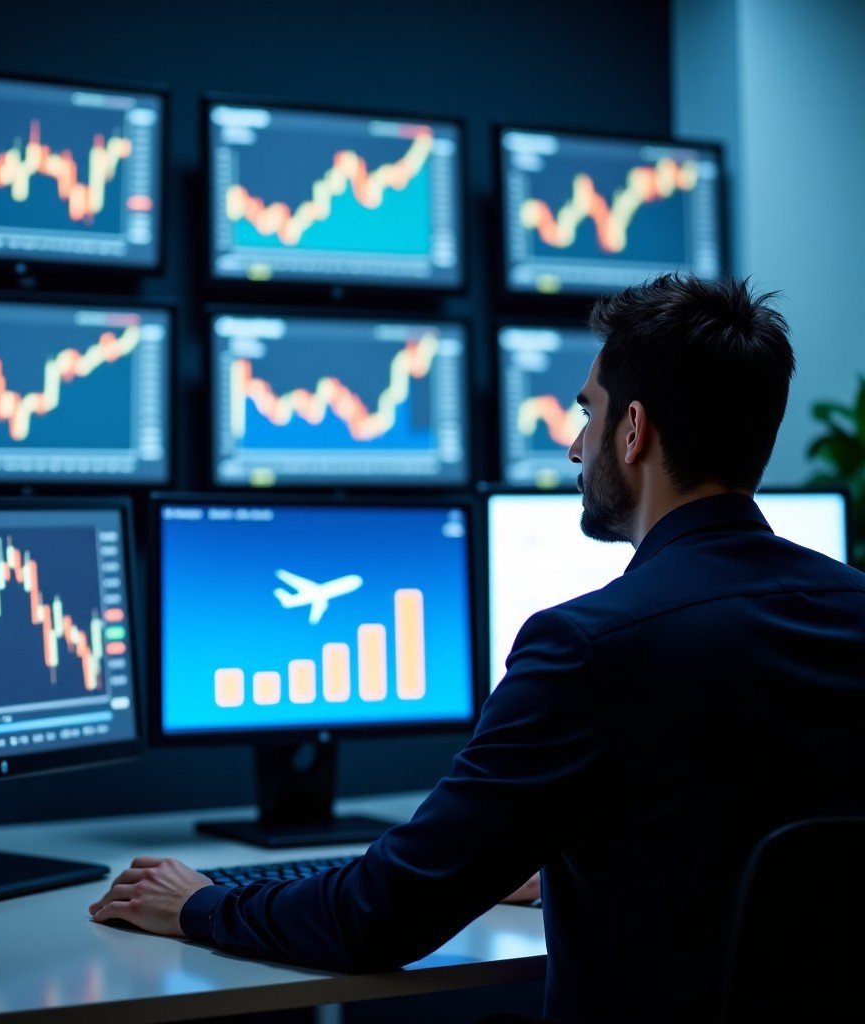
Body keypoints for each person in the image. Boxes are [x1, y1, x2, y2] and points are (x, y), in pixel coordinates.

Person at [89, 275, 865, 1023]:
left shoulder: (587, 649)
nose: (574, 447)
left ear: (634, 432)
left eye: (586, 413)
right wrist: (572, 875)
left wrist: (199, 903)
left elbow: (377, 918)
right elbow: (756, 860)